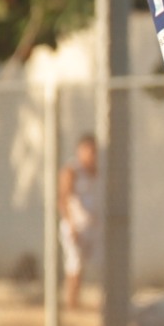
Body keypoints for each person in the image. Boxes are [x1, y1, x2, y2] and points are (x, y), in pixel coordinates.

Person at [58, 133, 100, 311]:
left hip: (93, 226)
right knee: (74, 265)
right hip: (75, 226)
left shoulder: (97, 170)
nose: (92, 155)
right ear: (80, 151)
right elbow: (63, 199)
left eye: (94, 151)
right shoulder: (71, 170)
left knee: (96, 264)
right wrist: (71, 225)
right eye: (88, 151)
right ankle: (71, 304)